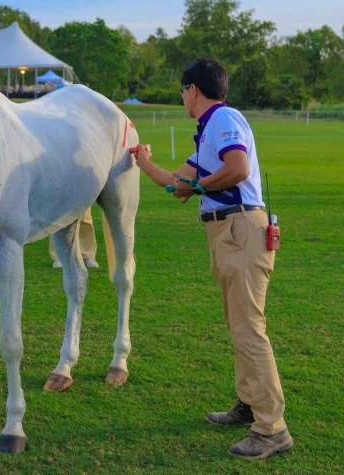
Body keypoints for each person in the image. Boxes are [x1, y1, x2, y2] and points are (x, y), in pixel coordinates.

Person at [132, 59, 292, 461]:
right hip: (227, 232)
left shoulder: (221, 119)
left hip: (240, 230)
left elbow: (236, 169)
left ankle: (271, 429)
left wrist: (200, 184)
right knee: (239, 325)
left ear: (193, 89)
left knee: (249, 329)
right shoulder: (210, 132)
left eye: (182, 90)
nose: (182, 97)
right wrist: (143, 161)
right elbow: (176, 184)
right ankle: (249, 404)